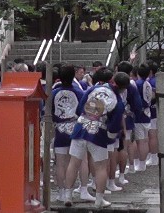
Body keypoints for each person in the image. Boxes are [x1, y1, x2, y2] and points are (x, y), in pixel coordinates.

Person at [61, 69, 127, 208]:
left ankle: (67, 195)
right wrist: (111, 137)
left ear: (112, 80)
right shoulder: (118, 102)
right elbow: (114, 126)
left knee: (74, 163)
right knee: (101, 167)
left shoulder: (95, 88)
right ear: (123, 88)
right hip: (99, 133)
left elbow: (80, 108)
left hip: (81, 127)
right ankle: (99, 199)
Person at [51, 64, 84, 202]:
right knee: (74, 162)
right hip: (75, 128)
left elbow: (50, 111)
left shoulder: (53, 93)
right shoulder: (79, 92)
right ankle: (70, 191)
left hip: (59, 129)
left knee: (60, 163)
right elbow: (83, 110)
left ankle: (61, 192)